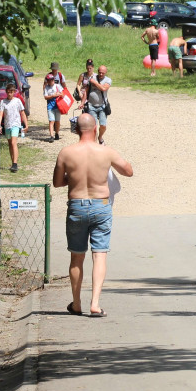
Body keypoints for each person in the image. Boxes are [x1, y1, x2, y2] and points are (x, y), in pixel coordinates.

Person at [52, 113, 133, 318]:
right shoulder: (105, 152)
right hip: (101, 205)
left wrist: (75, 177)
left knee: (77, 256)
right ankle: (95, 304)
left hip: (77, 205)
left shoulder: (66, 153)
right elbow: (128, 171)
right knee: (100, 254)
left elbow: (58, 182)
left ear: (76, 130)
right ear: (95, 128)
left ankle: (77, 303)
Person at [0, 83, 27, 172]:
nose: (9, 94)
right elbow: (1, 114)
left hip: (16, 125)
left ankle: (15, 164)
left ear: (14, 92)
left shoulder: (17, 101)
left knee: (14, 142)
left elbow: (22, 113)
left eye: (11, 92)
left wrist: (26, 125)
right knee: (10, 144)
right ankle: (12, 163)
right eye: (8, 92)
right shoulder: (3, 102)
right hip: (7, 125)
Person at [82, 65, 112, 144]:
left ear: (105, 72)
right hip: (91, 106)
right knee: (93, 126)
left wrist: (95, 83)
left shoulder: (107, 80)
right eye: (99, 72)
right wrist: (82, 103)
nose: (101, 74)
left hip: (102, 106)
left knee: (103, 125)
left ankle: (100, 137)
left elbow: (104, 89)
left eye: (103, 73)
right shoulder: (91, 79)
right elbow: (86, 92)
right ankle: (94, 142)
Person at [42, 73, 63, 142]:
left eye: (52, 80)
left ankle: (57, 133)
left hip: (58, 106)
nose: (51, 81)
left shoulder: (57, 86)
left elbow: (62, 94)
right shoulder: (46, 88)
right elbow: (45, 97)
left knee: (57, 121)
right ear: (47, 81)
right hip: (50, 107)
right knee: (51, 121)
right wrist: (53, 96)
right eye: (49, 80)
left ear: (53, 80)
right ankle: (51, 136)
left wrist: (58, 94)